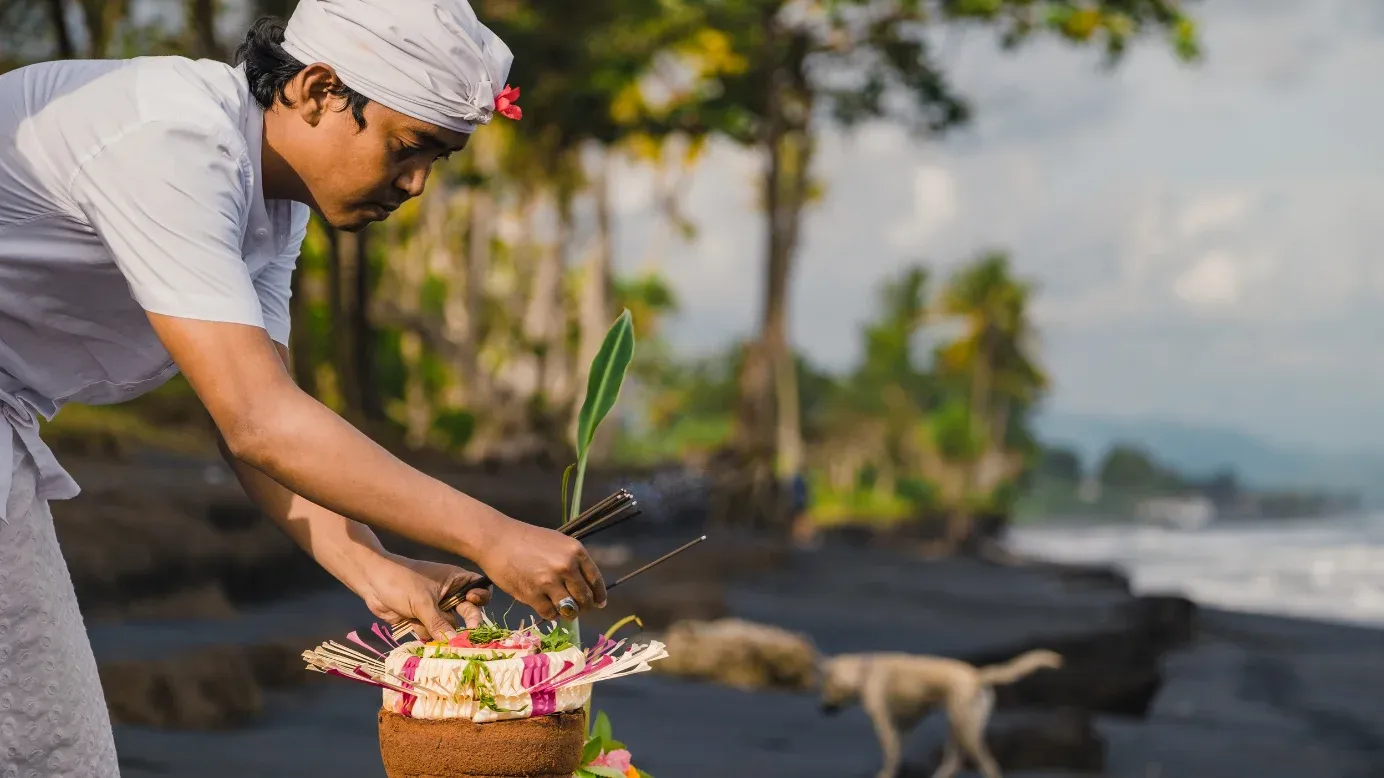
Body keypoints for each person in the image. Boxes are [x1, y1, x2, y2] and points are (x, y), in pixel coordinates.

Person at [0, 1, 605, 774]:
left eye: (436, 162)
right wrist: (492, 535)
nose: (416, 185)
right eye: (408, 148)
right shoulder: (175, 139)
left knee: (49, 750)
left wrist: (376, 569)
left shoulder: (272, 207)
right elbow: (261, 423)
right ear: (318, 90)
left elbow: (256, 422)